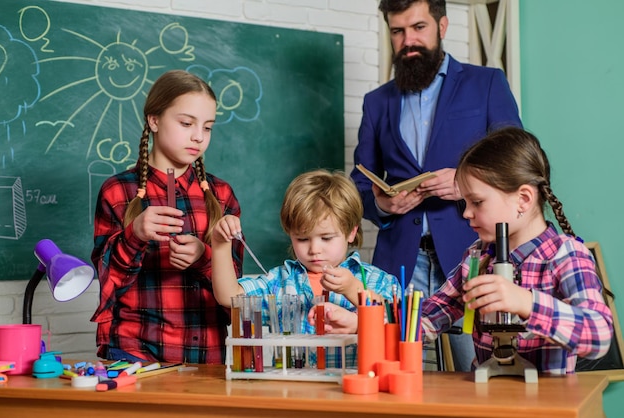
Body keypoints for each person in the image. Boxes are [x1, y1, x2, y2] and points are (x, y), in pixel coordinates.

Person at [311, 127, 614, 374]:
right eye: (464, 203)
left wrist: (526, 302)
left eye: (477, 202)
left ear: (523, 199)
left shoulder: (567, 256)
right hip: (485, 399)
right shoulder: (477, 258)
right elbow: (426, 319)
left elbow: (599, 335)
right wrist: (364, 322)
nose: (466, 213)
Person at [350, 0, 522, 371]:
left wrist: (465, 181)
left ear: (442, 26)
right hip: (398, 265)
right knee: (398, 377)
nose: (408, 40)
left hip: (472, 256)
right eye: (398, 31)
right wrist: (382, 204)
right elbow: (359, 183)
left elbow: (516, 161)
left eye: (418, 27)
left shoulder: (487, 83)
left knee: (477, 375)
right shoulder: (376, 102)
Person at [90, 70, 244, 364]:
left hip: (204, 353)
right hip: (133, 350)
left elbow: (237, 292)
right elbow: (108, 280)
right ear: (154, 120)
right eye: (186, 123)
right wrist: (135, 233)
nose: (198, 136)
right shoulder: (118, 190)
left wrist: (203, 256)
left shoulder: (221, 194)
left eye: (208, 127)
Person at [211, 169, 400, 367]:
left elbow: (396, 325)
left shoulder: (376, 280)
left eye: (326, 238)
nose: (314, 249)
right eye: (302, 239)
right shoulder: (282, 281)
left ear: (351, 232)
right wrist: (220, 243)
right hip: (295, 391)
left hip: (354, 392)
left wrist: (352, 289)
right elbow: (229, 296)